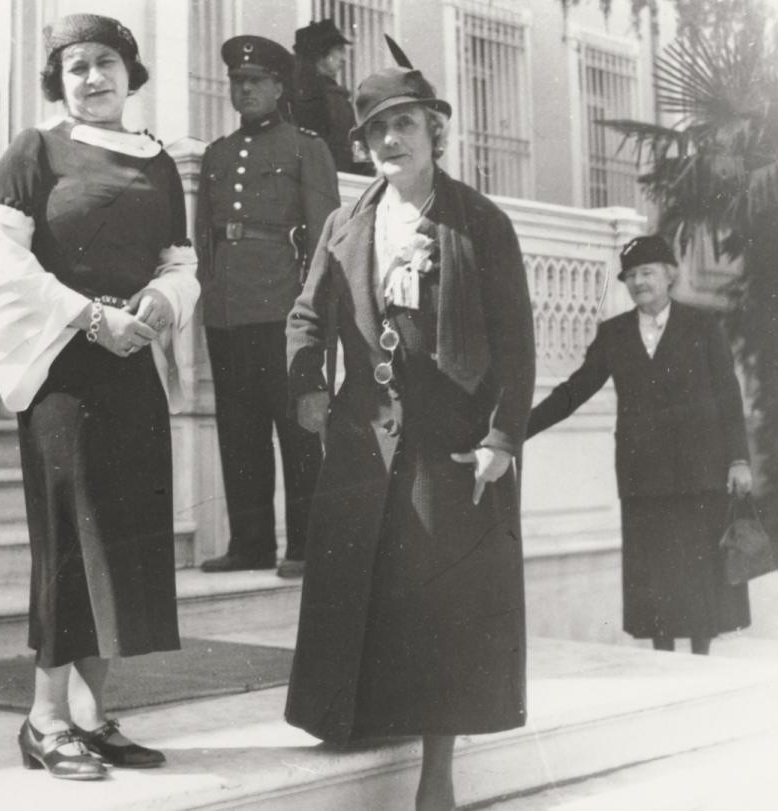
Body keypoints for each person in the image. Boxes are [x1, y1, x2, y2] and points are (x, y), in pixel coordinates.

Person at [285, 66, 535, 811]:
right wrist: (305, 384)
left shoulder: (480, 222)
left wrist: (502, 437)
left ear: (436, 133)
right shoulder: (344, 221)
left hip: (449, 445)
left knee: (440, 604)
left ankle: (437, 770)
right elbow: (308, 314)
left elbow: (517, 345)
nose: (389, 140)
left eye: (404, 124)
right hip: (366, 439)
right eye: (374, 130)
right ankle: (355, 715)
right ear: (361, 145)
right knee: (362, 586)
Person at [0, 13, 199, 780]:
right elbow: (1, 263)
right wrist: (88, 315)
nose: (93, 78)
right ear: (58, 81)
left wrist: (166, 301)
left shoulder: (158, 162)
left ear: (130, 73)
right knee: (70, 543)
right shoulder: (33, 152)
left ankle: (92, 715)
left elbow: (179, 258)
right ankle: (43, 718)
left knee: (126, 540)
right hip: (65, 368)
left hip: (130, 359)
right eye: (76, 68)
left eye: (106, 63)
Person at [527, 235, 753, 656]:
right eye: (630, 276)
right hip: (642, 476)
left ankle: (700, 657)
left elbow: (728, 395)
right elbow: (574, 391)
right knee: (654, 573)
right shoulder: (614, 334)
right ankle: (662, 658)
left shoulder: (703, 325)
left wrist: (739, 459)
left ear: (669, 275)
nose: (638, 283)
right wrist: (516, 430)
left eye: (646, 272)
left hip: (700, 472)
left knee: (698, 571)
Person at [196, 35, 340, 579]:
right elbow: (204, 239)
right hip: (228, 312)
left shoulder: (306, 147)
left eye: (256, 80)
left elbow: (326, 239)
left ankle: (304, 546)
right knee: (239, 430)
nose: (246, 89)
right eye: (237, 81)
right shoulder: (218, 154)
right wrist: (211, 298)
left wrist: (314, 315)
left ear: (279, 87)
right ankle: (249, 544)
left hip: (284, 310)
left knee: (297, 429)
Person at [290, 18, 366, 175]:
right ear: (321, 52)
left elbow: (356, 145)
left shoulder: (337, 97)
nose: (343, 58)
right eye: (338, 49)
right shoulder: (307, 96)